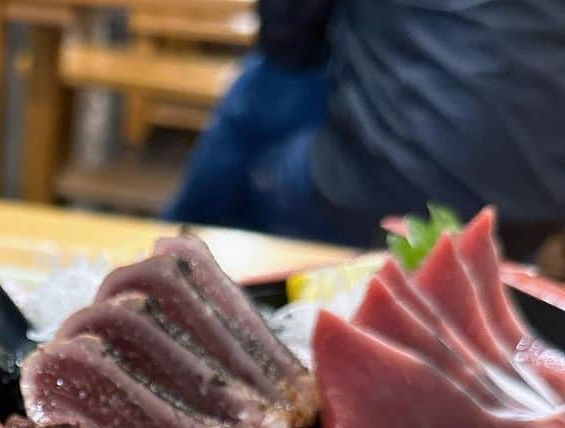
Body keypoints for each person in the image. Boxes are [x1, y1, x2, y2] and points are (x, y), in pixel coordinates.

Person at [164, 0, 565, 257]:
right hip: (534, 210)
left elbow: (285, 35)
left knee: (266, 88)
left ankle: (172, 261)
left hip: (379, 195)